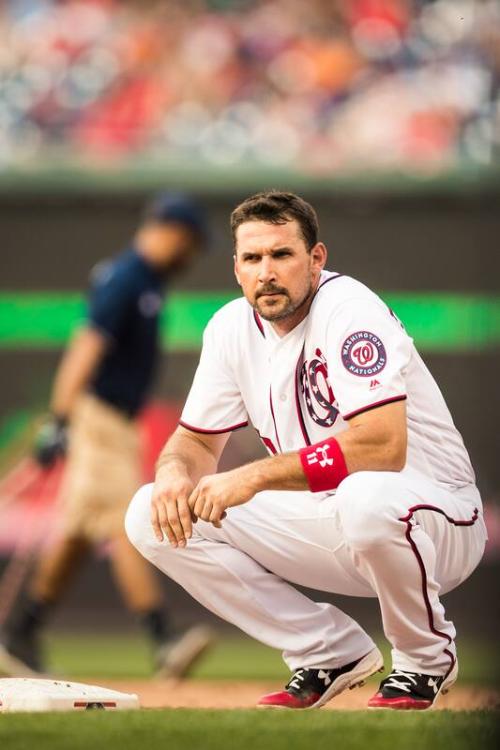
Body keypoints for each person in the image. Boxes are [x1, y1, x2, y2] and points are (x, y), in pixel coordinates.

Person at [125, 190, 487, 710]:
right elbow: (196, 442)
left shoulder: (349, 310)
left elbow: (383, 446)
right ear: (236, 267)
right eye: (252, 258)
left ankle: (424, 659)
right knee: (148, 514)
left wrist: (252, 477)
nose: (266, 272)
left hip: (438, 518)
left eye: (281, 254)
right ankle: (327, 650)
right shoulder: (230, 328)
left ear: (316, 259)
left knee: (365, 496)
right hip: (332, 517)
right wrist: (174, 473)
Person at [0, 192, 213, 679]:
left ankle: (20, 633)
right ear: (172, 233)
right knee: (126, 521)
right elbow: (85, 347)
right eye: (191, 244)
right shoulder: (126, 278)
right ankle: (163, 639)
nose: (191, 255)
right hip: (99, 418)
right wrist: (59, 418)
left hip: (117, 424)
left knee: (77, 532)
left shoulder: (145, 281)